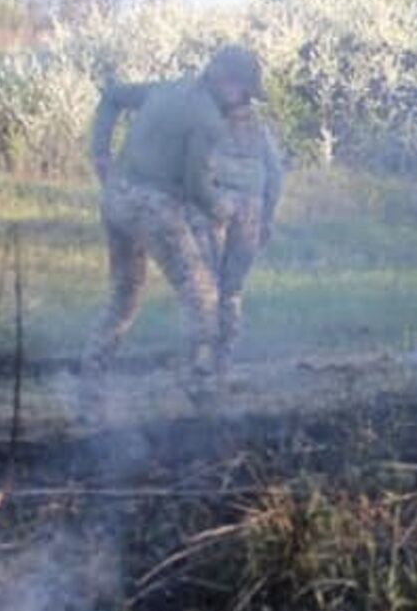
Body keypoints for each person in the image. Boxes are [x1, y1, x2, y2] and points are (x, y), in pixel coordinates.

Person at [84, 45, 265, 377]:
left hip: (114, 199)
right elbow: (196, 187)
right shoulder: (208, 119)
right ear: (225, 80)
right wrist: (224, 208)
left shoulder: (168, 88)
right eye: (244, 93)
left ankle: (90, 384)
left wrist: (100, 152)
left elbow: (111, 97)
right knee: (203, 300)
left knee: (124, 295)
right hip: (153, 208)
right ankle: (198, 391)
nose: (244, 102)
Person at [203, 99, 285, 373]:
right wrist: (268, 216)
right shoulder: (260, 130)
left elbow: (193, 169)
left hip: (215, 205)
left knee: (207, 284)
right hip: (251, 208)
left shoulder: (208, 124)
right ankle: (223, 358)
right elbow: (275, 175)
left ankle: (203, 354)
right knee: (232, 287)